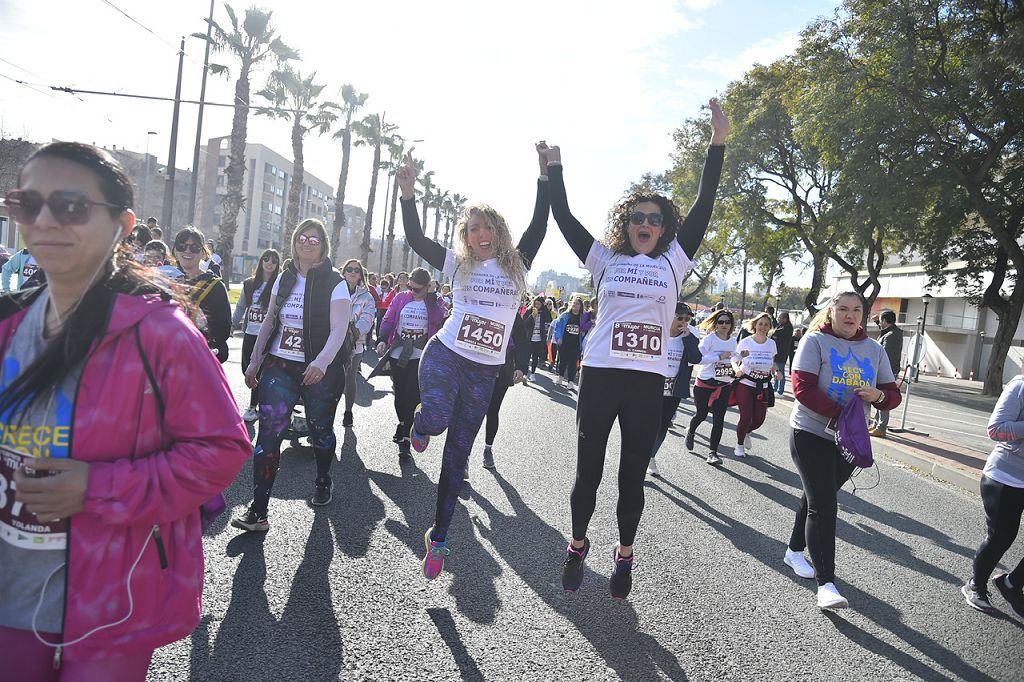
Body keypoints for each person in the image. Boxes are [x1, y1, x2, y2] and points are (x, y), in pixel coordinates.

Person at [0, 141, 249, 679]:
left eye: (69, 206)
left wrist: (96, 488)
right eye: (26, 204)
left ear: (122, 224)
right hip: (10, 596)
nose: (43, 221)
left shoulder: (161, 333)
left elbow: (221, 450)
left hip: (114, 600)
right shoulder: (8, 325)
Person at [545, 98, 727, 599]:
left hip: (647, 381)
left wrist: (718, 143)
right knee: (589, 472)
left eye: (654, 218)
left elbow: (706, 201)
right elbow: (563, 216)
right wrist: (553, 170)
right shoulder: (602, 260)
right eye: (636, 218)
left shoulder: (674, 261)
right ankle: (578, 543)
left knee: (631, 477)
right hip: (602, 374)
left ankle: (625, 554)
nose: (645, 223)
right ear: (626, 225)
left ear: (665, 227)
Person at [399, 145, 549, 580]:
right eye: (472, 228)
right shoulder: (457, 265)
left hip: (485, 371)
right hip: (445, 354)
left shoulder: (518, 267)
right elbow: (415, 240)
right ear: (465, 237)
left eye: (487, 227)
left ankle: (439, 537)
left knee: (458, 455)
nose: (480, 234)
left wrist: (544, 176)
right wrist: (408, 194)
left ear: (499, 233)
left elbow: (540, 225)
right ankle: (421, 424)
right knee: (438, 420)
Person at [784, 291, 901, 609]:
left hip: (848, 440)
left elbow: (892, 395)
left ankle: (794, 551)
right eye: (843, 309)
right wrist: (843, 414)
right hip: (809, 433)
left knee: (815, 498)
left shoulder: (874, 350)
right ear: (831, 312)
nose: (850, 315)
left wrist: (877, 396)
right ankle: (827, 585)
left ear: (864, 315)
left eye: (857, 310)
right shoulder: (815, 341)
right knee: (824, 505)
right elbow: (802, 388)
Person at [233, 219, 352, 530]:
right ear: (295, 242)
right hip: (281, 366)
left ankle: (324, 480)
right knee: (268, 435)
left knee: (321, 432)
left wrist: (322, 362)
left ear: (323, 245)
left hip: (320, 370)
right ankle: (258, 510)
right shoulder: (284, 278)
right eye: (302, 236)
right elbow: (270, 319)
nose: (307, 242)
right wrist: (255, 361)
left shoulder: (335, 281)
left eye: (314, 238)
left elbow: (339, 328)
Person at [961, 373, 1024, 617]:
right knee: (1002, 537)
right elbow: (995, 429)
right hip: (1005, 477)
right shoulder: (1020, 385)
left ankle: (1011, 583)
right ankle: (975, 585)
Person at [373, 267, 446, 460]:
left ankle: (406, 436)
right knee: (399, 394)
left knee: (412, 394)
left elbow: (439, 318)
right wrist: (381, 338)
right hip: (399, 351)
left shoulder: (435, 301)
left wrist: (430, 297)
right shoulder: (400, 298)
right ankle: (403, 421)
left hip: (421, 354)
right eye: (411, 287)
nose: (413, 292)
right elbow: (388, 319)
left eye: (418, 289)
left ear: (427, 287)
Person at [647, 302, 702, 478]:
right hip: (652, 386)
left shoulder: (689, 338)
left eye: (687, 319)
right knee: (646, 424)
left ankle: (651, 457)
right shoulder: (657, 333)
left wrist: (687, 338)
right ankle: (639, 457)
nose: (684, 322)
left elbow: (696, 358)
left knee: (662, 425)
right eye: (680, 318)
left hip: (673, 389)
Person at [231, 248, 281, 421]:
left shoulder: (279, 286)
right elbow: (241, 307)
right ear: (261, 261)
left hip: (268, 337)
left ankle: (254, 407)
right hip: (250, 334)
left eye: (274, 260)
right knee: (247, 369)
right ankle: (258, 404)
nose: (269, 263)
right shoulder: (249, 284)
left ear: (277, 265)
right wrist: (232, 324)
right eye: (266, 259)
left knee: (260, 372)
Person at [172, 227, 231, 364]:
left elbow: (223, 328)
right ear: (175, 250)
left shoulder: (215, 286)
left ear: (203, 252)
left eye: (194, 247)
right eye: (182, 246)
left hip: (199, 358)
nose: (187, 251)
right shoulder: (164, 281)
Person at [687, 309, 738, 466]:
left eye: (727, 322)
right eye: (721, 322)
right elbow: (696, 360)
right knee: (701, 415)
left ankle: (712, 453)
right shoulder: (709, 339)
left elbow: (734, 359)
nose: (724, 325)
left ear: (731, 325)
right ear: (715, 324)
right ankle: (690, 431)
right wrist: (718, 357)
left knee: (719, 419)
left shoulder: (733, 341)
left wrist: (741, 356)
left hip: (723, 385)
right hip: (704, 384)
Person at [481, 311, 530, 470]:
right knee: (472, 411)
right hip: (478, 367)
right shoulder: (481, 304)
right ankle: (464, 454)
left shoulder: (512, 311)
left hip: (503, 368)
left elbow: (522, 340)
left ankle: (488, 449)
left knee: (493, 410)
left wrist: (521, 367)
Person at [731, 312, 781, 458]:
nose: (763, 327)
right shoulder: (746, 342)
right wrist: (737, 369)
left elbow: (771, 362)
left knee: (759, 419)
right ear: (755, 325)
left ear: (770, 327)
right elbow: (734, 359)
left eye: (766, 325)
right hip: (746, 383)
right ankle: (739, 444)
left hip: (763, 385)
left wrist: (777, 371)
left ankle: (747, 432)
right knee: (746, 417)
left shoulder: (771, 344)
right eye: (760, 324)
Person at [339, 258, 377, 428]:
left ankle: (348, 411)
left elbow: (367, 320)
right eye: (349, 269)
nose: (353, 272)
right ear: (344, 272)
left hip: (355, 343)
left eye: (356, 269)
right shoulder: (335, 291)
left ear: (361, 274)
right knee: (331, 379)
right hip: (333, 341)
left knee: (350, 377)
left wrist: (353, 331)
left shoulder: (367, 296)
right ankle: (327, 414)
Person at [869, 309, 903, 438]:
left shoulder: (890, 335)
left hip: (887, 372)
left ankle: (881, 427)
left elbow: (884, 355)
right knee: (879, 397)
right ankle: (876, 424)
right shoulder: (893, 332)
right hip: (889, 370)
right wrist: (877, 321)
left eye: (881, 321)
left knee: (882, 397)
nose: (880, 323)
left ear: (885, 320)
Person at [552, 297, 590, 388]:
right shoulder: (565, 315)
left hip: (576, 344)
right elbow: (558, 326)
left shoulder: (583, 317)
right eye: (574, 303)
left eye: (577, 304)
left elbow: (585, 329)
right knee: (562, 361)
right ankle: (560, 377)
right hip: (564, 342)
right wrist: (558, 338)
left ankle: (571, 381)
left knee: (573, 363)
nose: (575, 305)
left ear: (581, 306)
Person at [522, 295, 552, 381]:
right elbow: (525, 324)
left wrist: (545, 307)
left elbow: (549, 319)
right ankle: (525, 373)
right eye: (535, 304)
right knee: (527, 357)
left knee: (535, 357)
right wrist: (532, 316)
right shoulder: (529, 311)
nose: (537, 306)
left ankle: (532, 373)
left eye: (539, 304)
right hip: (529, 338)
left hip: (538, 338)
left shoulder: (543, 312)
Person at [772, 311, 794, 396]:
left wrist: (776, 335)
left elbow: (775, 333)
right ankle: (775, 388)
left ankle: (780, 390)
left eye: (780, 317)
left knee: (780, 371)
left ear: (785, 318)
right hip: (777, 352)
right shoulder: (781, 326)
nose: (778, 319)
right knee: (776, 370)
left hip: (782, 353)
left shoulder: (788, 327)